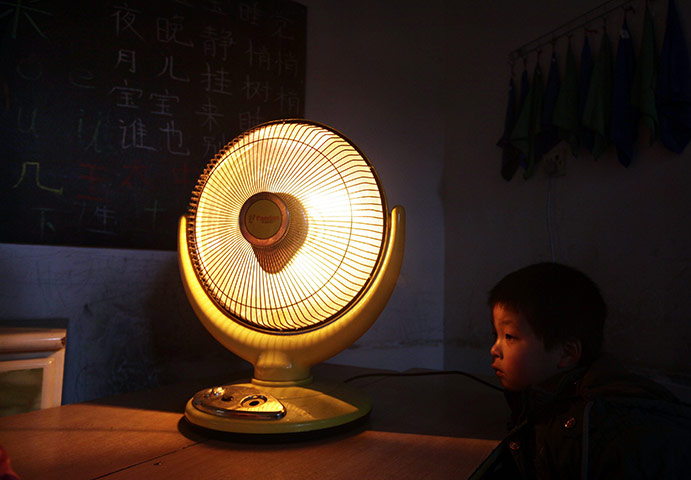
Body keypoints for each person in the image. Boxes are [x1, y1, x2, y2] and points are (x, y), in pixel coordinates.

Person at [470, 262, 691, 479]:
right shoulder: (544, 402)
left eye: (509, 336)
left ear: (566, 353)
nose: (494, 349)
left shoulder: (592, 429)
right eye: (495, 335)